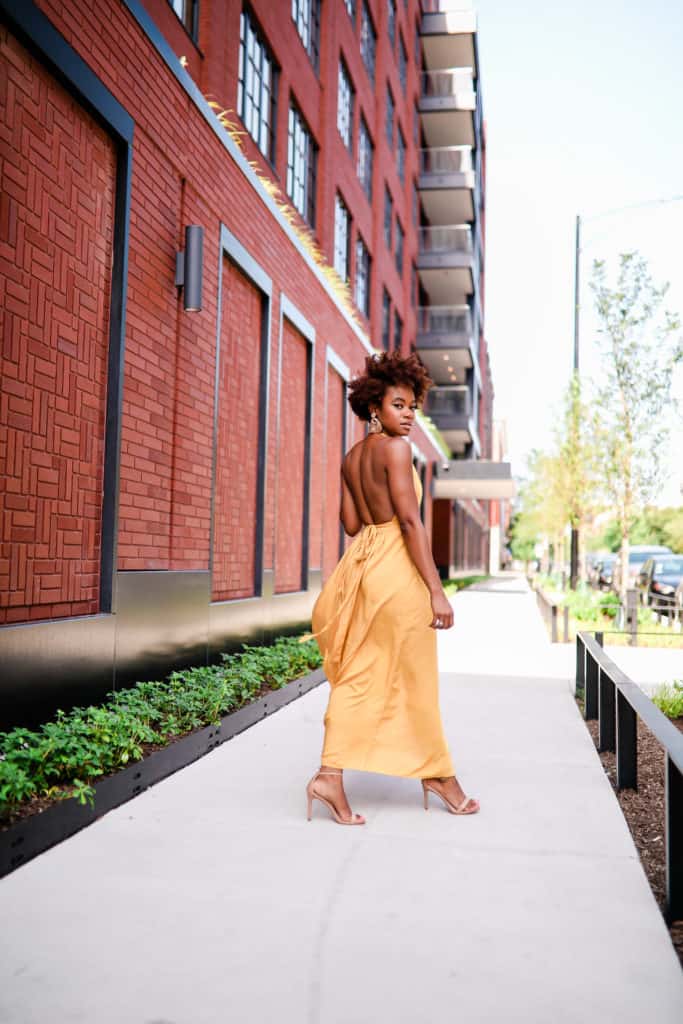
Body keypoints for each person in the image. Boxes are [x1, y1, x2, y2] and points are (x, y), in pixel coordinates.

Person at [305, 352, 479, 825]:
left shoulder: (351, 458)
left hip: (362, 566)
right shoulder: (397, 451)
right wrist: (437, 591)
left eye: (412, 407)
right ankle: (436, 775)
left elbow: (351, 523)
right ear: (374, 407)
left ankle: (332, 774)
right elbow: (408, 521)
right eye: (398, 404)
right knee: (414, 677)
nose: (407, 414)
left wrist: (361, 487)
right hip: (396, 570)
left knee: (361, 673)